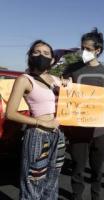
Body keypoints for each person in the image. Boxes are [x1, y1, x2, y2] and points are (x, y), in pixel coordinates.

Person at [6, 40, 68, 199]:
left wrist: (70, 86)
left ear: (53, 59)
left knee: (52, 182)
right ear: (30, 56)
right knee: (33, 182)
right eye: (37, 52)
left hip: (58, 136)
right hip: (37, 136)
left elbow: (74, 99)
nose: (42, 55)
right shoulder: (25, 79)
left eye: (46, 53)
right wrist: (42, 122)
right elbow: (11, 113)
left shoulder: (55, 79)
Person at [63, 28, 104, 200]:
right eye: (82, 47)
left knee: (97, 170)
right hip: (78, 130)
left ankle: (95, 196)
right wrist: (64, 84)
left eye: (88, 49)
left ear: (97, 50)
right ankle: (77, 197)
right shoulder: (72, 69)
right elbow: (64, 94)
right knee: (77, 168)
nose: (83, 51)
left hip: (100, 131)